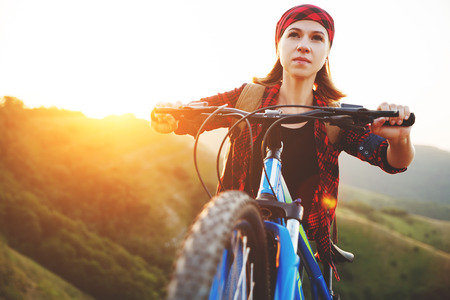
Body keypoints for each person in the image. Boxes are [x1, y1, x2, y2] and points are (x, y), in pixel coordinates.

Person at [151, 4, 414, 277]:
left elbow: (389, 159)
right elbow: (197, 112)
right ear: (279, 45)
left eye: (316, 38)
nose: (304, 45)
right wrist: (171, 117)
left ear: (327, 53)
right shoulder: (249, 98)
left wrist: (400, 140)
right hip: (237, 229)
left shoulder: (334, 117)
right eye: (294, 35)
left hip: (296, 242)